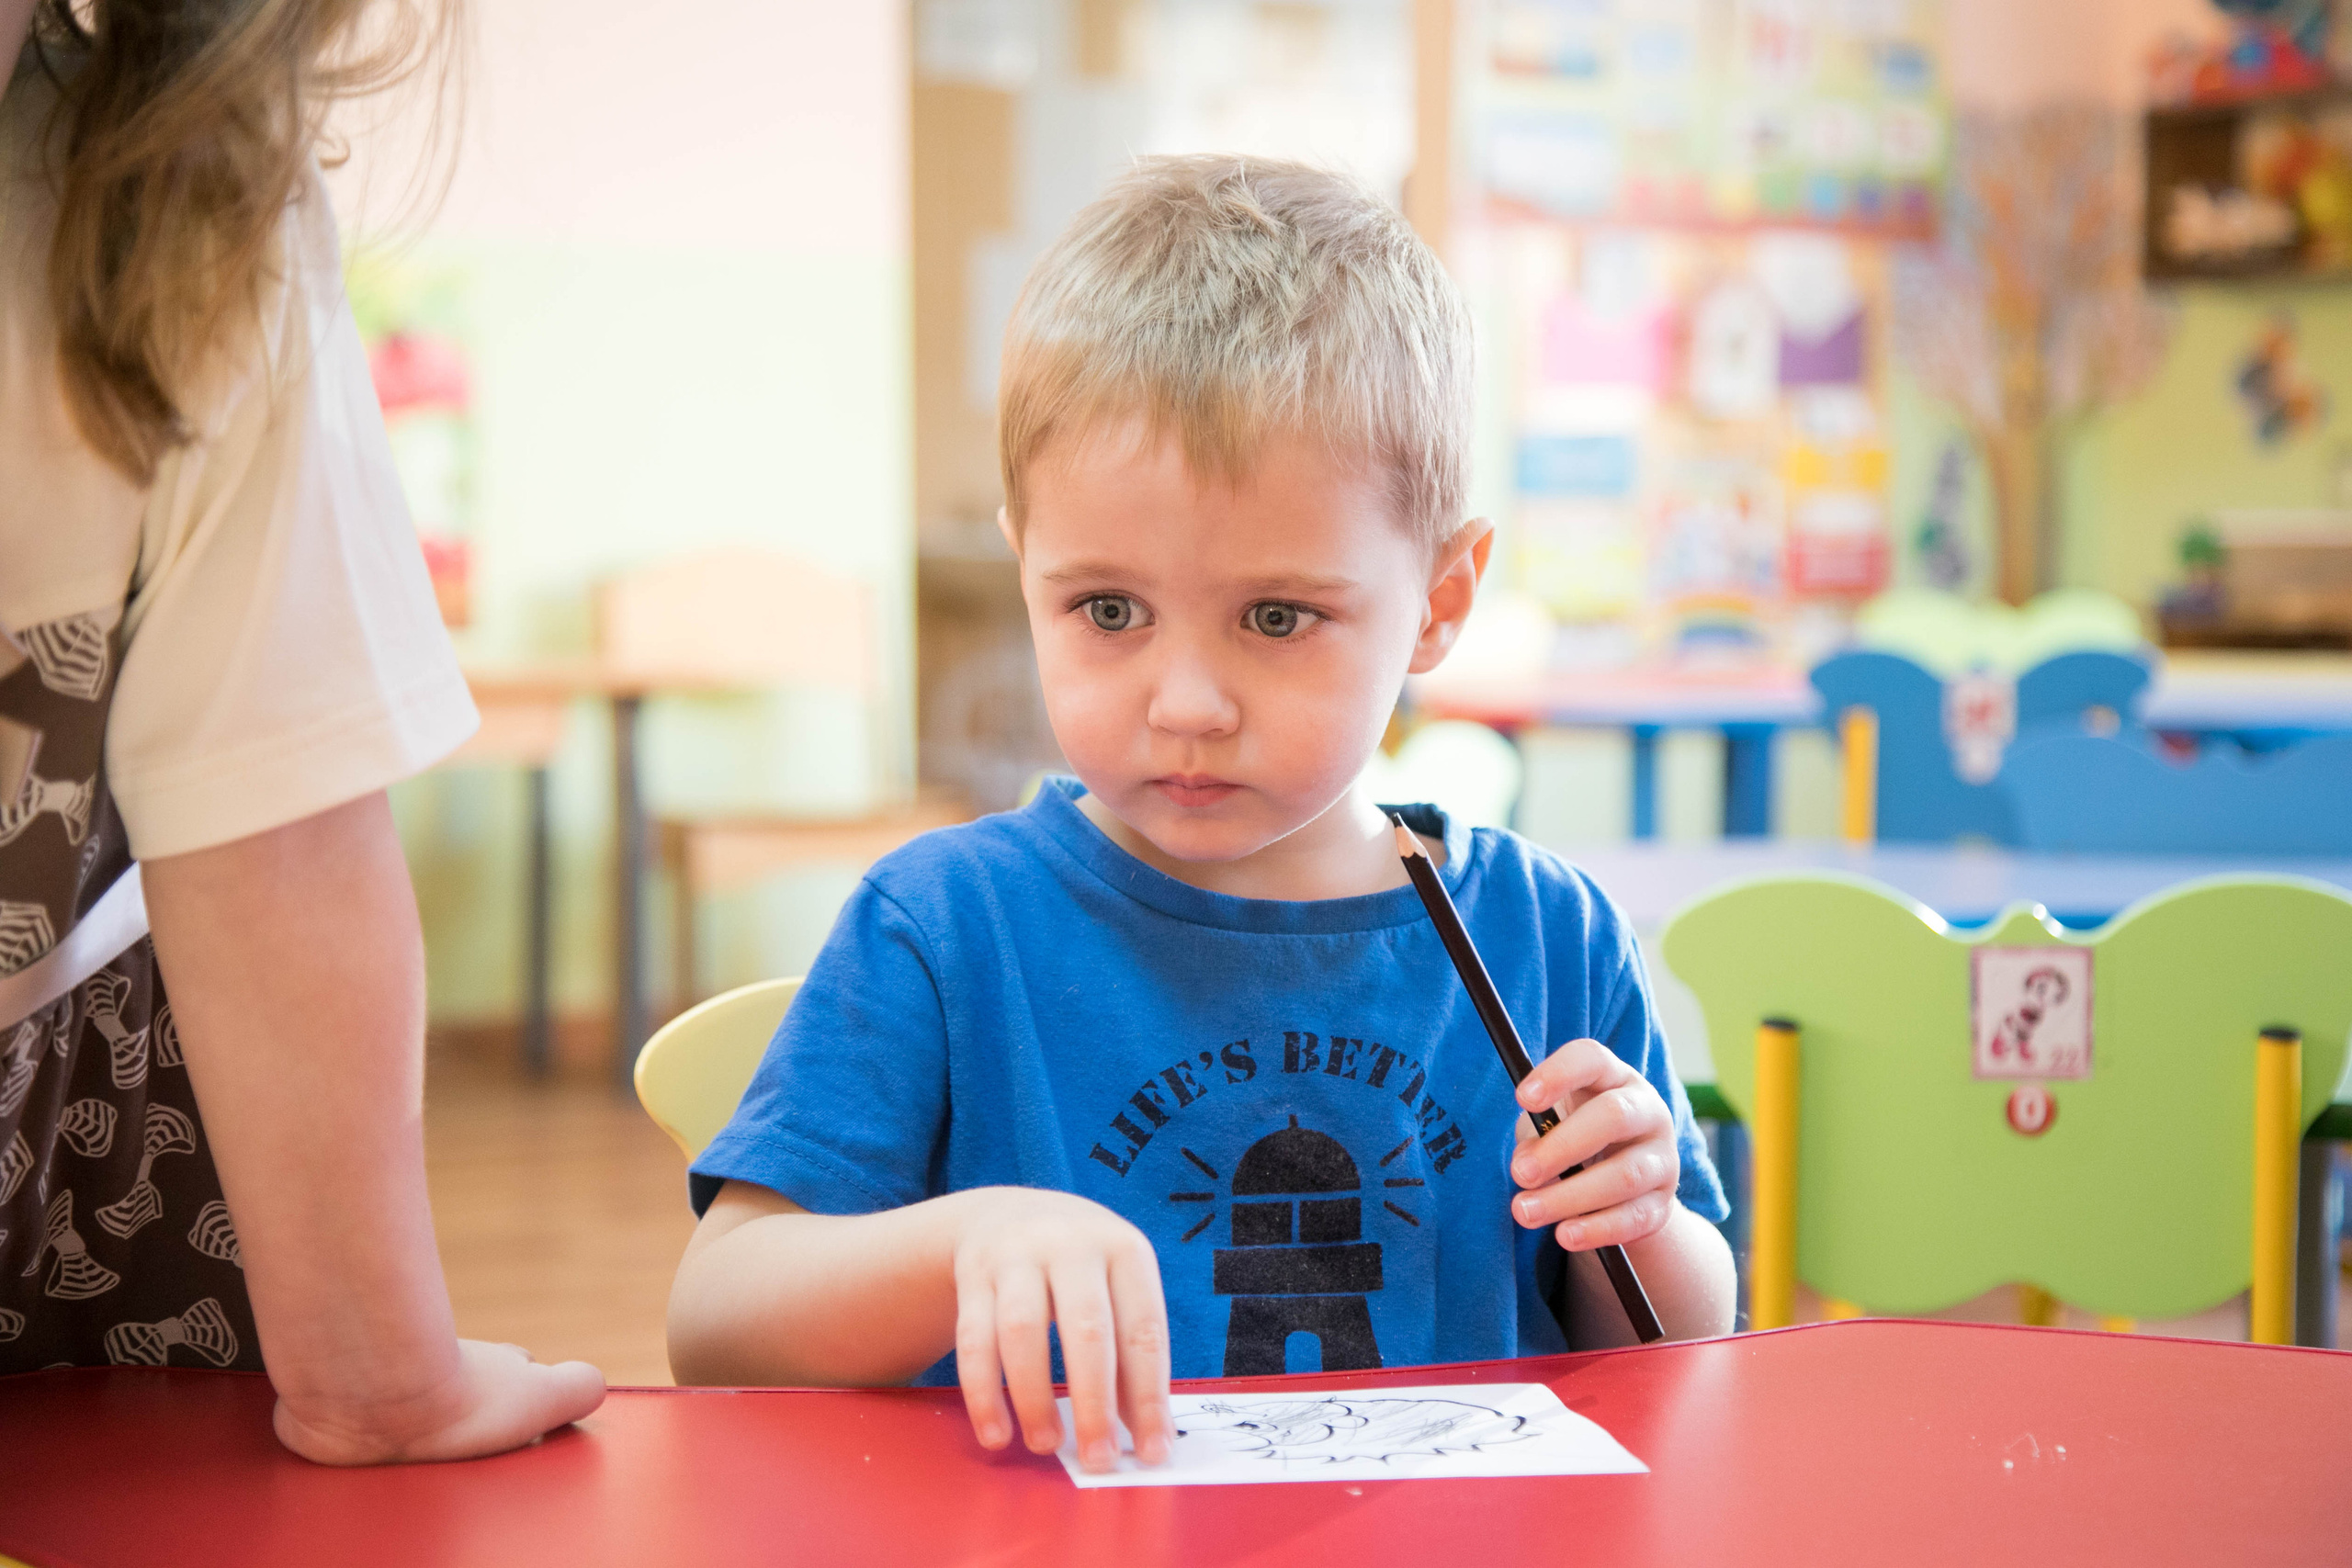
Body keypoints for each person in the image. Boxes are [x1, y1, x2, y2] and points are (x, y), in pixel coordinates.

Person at [667, 156, 1735, 1473]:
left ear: (1441, 602)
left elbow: (1668, 1351)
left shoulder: (1545, 934)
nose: (1184, 703)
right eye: (1106, 610)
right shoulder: (948, 928)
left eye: (1277, 618)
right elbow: (714, 1324)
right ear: (1026, 566)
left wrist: (1636, 1222)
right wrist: (962, 1244)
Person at [0, 0, 603, 1461]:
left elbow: (278, 846)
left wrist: (377, 1372)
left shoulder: (171, 206)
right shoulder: (177, 200)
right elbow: (280, 851)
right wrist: (379, 1375)